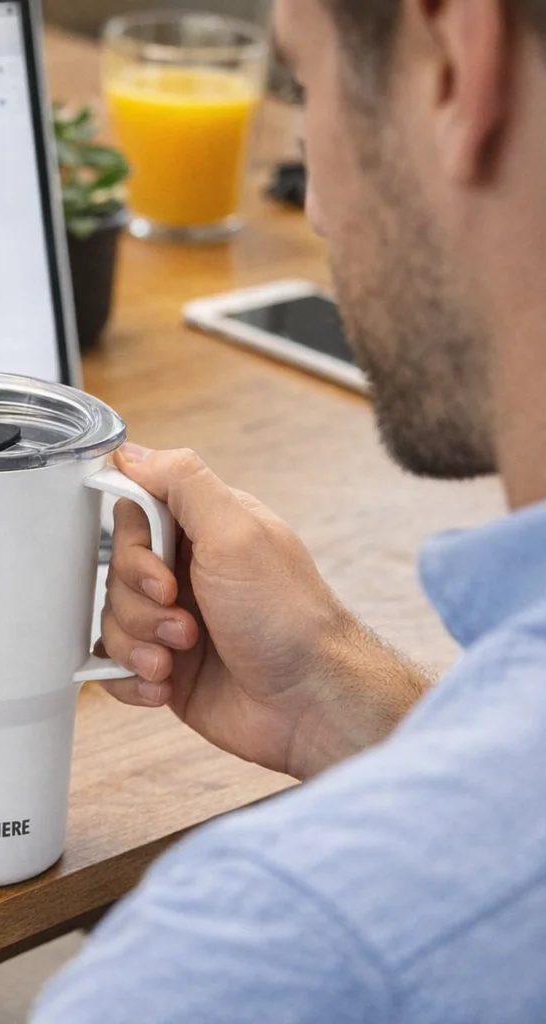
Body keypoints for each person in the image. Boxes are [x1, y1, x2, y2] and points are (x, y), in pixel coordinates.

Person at [31, 0, 546, 1020]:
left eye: (305, 93)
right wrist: (343, 697)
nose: (312, 205)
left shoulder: (271, 949)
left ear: (457, 55)